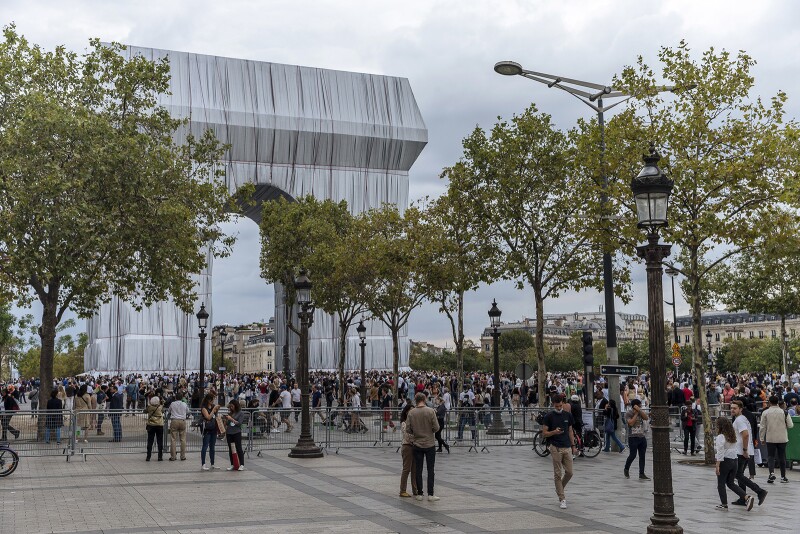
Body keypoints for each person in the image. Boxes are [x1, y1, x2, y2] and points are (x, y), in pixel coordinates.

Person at [730, 400, 768, 507]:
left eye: (735, 408)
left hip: (742, 451)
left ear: (740, 409)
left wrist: (745, 450)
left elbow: (745, 435)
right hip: (744, 450)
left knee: (738, 475)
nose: (732, 409)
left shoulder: (739, 420)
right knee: (739, 475)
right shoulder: (742, 419)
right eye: (731, 407)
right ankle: (743, 498)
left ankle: (759, 491)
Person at [542, 394, 576, 509]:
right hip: (555, 447)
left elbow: (570, 431)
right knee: (557, 473)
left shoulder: (568, 415)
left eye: (560, 406)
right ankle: (562, 498)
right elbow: (544, 433)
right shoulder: (549, 416)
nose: (559, 408)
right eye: (557, 406)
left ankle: (559, 487)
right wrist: (554, 432)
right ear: (553, 405)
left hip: (566, 446)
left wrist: (573, 445)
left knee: (570, 472)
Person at [406, 392, 440, 502]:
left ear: (415, 400)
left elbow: (408, 429)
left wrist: (416, 432)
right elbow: (436, 427)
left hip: (417, 443)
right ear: (424, 399)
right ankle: (431, 494)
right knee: (430, 469)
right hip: (429, 443)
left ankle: (419, 493)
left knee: (418, 469)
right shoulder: (430, 411)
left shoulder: (411, 413)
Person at [715, 416, 753, 511]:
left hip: (725, 461)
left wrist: (717, 464)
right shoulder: (732, 435)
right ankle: (746, 497)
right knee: (731, 483)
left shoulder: (721, 436)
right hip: (734, 460)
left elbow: (720, 451)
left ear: (720, 426)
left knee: (721, 483)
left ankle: (724, 504)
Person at [759, 395, 793, 484]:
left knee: (771, 456)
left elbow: (762, 427)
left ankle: (771, 474)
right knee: (782, 457)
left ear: (769, 402)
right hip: (782, 438)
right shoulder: (784, 412)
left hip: (770, 438)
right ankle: (783, 477)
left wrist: (761, 438)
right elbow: (790, 425)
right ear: (778, 402)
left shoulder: (765, 412)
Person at [624, 398, 650, 480]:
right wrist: (635, 414)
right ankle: (626, 468)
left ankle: (641, 473)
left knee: (642, 456)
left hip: (642, 437)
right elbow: (631, 423)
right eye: (638, 406)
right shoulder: (628, 413)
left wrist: (640, 411)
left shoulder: (640, 412)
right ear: (634, 406)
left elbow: (646, 418)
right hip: (633, 437)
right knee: (633, 455)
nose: (640, 407)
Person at [399, 403, 418, 498]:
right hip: (407, 447)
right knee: (406, 469)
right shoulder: (404, 423)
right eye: (410, 411)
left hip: (415, 446)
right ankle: (402, 490)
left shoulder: (415, 422)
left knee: (414, 469)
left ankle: (415, 489)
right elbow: (408, 436)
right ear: (406, 412)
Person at [168, 391, 190, 461]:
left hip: (174, 421)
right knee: (183, 439)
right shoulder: (184, 404)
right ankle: (183, 456)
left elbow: (169, 411)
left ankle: (173, 456)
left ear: (175, 397)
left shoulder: (172, 403)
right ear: (182, 398)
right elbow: (188, 411)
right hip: (182, 421)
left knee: (173, 439)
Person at [200, 393, 221, 470]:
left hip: (214, 428)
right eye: (212, 399)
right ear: (209, 400)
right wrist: (213, 409)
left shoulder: (213, 407)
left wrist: (216, 409)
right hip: (207, 429)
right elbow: (208, 417)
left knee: (212, 447)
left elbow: (215, 416)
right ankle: (203, 464)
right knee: (205, 446)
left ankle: (212, 463)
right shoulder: (204, 408)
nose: (213, 401)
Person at [224, 399, 246, 471]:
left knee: (238, 448)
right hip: (229, 432)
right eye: (230, 407)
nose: (231, 408)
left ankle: (242, 464)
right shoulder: (230, 413)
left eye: (232, 406)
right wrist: (226, 420)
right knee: (231, 449)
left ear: (236, 405)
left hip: (236, 432)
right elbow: (227, 423)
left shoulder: (240, 413)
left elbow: (239, 424)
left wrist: (231, 419)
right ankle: (232, 464)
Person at [145, 395, 164, 461]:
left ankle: (148, 456)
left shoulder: (149, 407)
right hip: (159, 425)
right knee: (160, 441)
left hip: (151, 425)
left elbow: (145, 411)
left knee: (150, 441)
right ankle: (160, 456)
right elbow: (163, 410)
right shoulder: (160, 407)